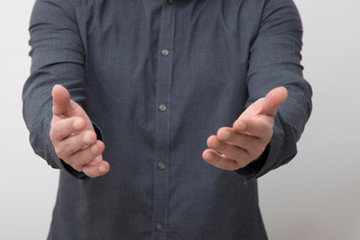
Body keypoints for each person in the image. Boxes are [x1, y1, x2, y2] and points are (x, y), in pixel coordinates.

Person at [22, 0, 312, 239]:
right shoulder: (64, 3)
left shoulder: (266, 6)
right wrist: (60, 131)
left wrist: (268, 131)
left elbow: (287, 88)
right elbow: (47, 89)